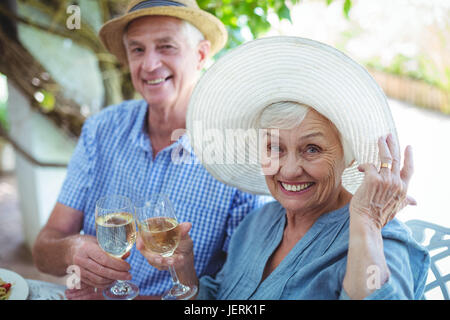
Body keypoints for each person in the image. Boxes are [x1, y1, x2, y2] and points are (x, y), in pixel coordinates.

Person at [138, 36, 430, 299]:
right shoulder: (257, 223)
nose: (289, 170)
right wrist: (184, 268)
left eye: (312, 149)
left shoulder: (381, 239)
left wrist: (366, 223)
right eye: (274, 148)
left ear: (350, 156)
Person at [32, 0, 270, 299]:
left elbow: (241, 295)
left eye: (166, 46)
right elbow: (43, 250)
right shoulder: (100, 130)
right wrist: (71, 249)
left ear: (200, 54)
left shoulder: (240, 153)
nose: (149, 64)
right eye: (137, 49)